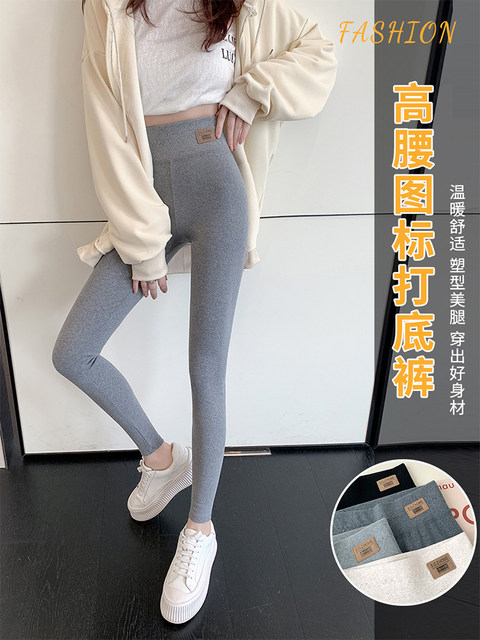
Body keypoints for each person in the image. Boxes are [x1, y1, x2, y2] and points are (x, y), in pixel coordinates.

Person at [52, 0, 337, 625]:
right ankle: (163, 460)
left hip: (217, 185)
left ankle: (200, 529)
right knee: (73, 352)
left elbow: (319, 49)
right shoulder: (107, 7)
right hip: (144, 193)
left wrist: (253, 91)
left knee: (206, 366)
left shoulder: (241, 4)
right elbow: (105, 121)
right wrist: (142, 242)